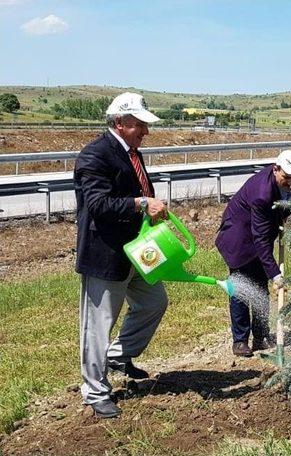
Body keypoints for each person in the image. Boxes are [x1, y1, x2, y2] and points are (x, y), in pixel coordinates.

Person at [74, 92, 168, 418]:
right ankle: (95, 392)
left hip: (137, 251)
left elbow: (139, 191)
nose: (145, 131)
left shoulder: (132, 153)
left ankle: (119, 355)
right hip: (107, 254)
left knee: (154, 302)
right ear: (120, 122)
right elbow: (98, 205)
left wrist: (150, 211)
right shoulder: (94, 156)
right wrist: (142, 204)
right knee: (98, 324)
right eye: (140, 124)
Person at [215, 150, 291, 357]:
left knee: (260, 286)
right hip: (238, 240)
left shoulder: (283, 183)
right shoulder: (262, 193)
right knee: (241, 288)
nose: (290, 182)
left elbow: (284, 204)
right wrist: (275, 274)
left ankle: (261, 336)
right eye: (287, 177)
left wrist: (284, 217)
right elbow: (260, 240)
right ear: (276, 168)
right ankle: (240, 341)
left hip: (256, 235)